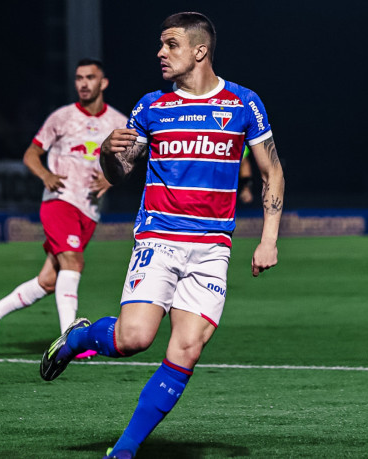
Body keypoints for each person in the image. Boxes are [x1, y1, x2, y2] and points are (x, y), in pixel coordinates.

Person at [39, 12, 285, 458]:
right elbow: (121, 171)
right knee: (133, 339)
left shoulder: (243, 103)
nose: (160, 53)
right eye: (160, 44)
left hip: (212, 249)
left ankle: (125, 449)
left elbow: (273, 172)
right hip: (160, 239)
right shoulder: (150, 106)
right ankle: (79, 338)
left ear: (199, 51)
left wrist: (268, 238)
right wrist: (110, 156)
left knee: (187, 348)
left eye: (170, 44)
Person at [0, 58, 128, 355]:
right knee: (73, 262)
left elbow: (128, 164)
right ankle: (70, 339)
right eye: (79, 78)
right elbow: (32, 153)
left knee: (48, 281)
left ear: (103, 83)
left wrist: (109, 182)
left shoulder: (118, 122)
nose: (83, 83)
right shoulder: (62, 117)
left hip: (89, 210)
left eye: (90, 78)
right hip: (60, 201)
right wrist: (45, 175)